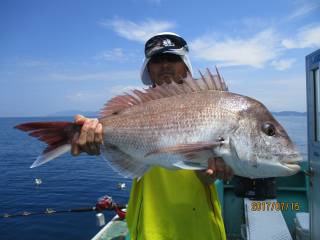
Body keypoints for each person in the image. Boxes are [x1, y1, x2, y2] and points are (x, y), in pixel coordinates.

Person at [71, 32, 233, 240]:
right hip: (147, 229)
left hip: (197, 229)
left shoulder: (209, 105)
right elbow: (125, 156)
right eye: (157, 60)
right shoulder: (136, 109)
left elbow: (205, 177)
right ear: (149, 68)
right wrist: (93, 138)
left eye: (172, 58)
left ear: (185, 66)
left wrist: (214, 173)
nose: (165, 65)